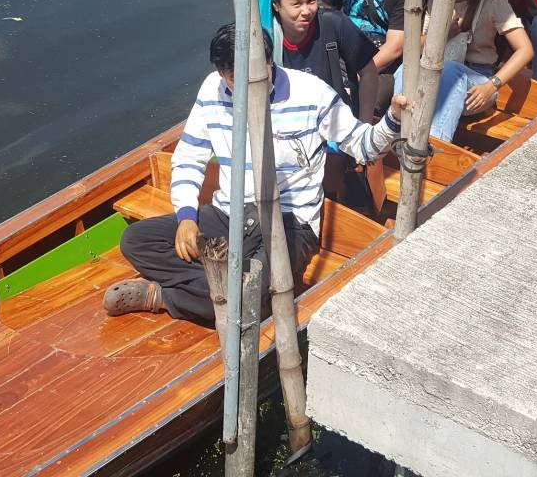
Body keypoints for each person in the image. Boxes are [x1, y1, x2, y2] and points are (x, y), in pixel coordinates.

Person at [104, 24, 406, 324]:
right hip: (229, 215)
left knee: (245, 296)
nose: (245, 86)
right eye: (234, 79)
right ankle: (232, 291)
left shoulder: (311, 92)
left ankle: (165, 296)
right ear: (222, 74)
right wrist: (185, 217)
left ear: (270, 62)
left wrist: (392, 119)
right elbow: (188, 158)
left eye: (254, 75)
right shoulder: (212, 90)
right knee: (136, 241)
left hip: (290, 222)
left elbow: (364, 146)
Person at [394, 0, 533, 142]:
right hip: (436, 73)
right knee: (404, 70)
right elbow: (415, 49)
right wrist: (444, 34)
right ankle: (399, 131)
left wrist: (491, 86)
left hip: (476, 85)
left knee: (452, 72)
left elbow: (525, 50)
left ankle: (434, 144)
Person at [261, 0, 379, 123]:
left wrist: (363, 126)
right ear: (276, 4)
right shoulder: (263, 40)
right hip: (285, 125)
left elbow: (369, 72)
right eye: (296, 4)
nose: (306, 11)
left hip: (334, 123)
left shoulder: (333, 23)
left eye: (311, 1)